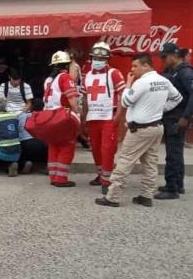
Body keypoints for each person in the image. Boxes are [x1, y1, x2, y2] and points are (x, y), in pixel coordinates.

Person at [96, 53, 182, 208]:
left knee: (124, 161)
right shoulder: (164, 81)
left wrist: (129, 83)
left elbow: (125, 101)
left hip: (139, 129)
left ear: (146, 66)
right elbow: (177, 98)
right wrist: (161, 110)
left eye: (135, 66)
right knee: (150, 164)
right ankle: (146, 196)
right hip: (157, 126)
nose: (132, 69)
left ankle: (113, 197)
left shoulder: (141, 83)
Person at [80, 42, 125, 193]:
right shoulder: (87, 76)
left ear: (107, 59)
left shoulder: (114, 73)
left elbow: (122, 96)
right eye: (96, 57)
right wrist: (83, 117)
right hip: (93, 118)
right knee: (96, 149)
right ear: (91, 58)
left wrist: (118, 117)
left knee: (107, 149)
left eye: (102, 58)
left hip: (108, 117)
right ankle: (101, 175)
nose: (98, 60)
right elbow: (85, 99)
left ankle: (107, 180)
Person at [155, 43, 193, 200]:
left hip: (177, 119)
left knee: (173, 154)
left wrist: (186, 117)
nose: (163, 60)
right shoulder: (174, 72)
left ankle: (172, 189)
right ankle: (178, 184)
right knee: (176, 152)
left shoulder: (185, 73)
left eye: (165, 57)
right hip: (172, 118)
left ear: (174, 56)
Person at [43, 51, 80, 188]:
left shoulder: (49, 80)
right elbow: (72, 99)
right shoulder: (65, 78)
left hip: (49, 118)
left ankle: (53, 176)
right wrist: (77, 114)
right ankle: (61, 178)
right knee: (67, 146)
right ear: (68, 64)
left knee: (53, 146)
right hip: (62, 117)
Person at [18, 99, 47, 172]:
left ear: (31, 107)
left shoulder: (22, 116)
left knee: (17, 147)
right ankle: (48, 166)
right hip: (42, 145)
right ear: (43, 107)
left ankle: (24, 163)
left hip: (26, 145)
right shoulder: (46, 117)